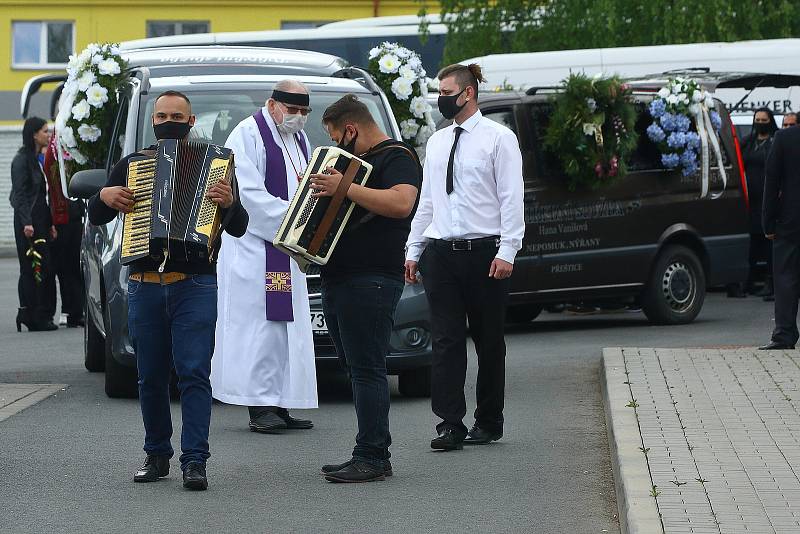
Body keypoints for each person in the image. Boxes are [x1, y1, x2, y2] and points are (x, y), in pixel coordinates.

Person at [88, 90, 249, 490]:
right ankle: (157, 453)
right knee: (150, 376)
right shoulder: (132, 164)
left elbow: (240, 225)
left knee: (195, 373)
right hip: (144, 285)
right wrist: (104, 195)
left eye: (177, 114)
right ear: (153, 121)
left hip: (194, 284)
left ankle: (195, 461)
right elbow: (98, 211)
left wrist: (228, 203)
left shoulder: (217, 166)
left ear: (191, 121)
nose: (169, 120)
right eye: (162, 115)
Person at [405, 63, 524, 451]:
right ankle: (449, 424)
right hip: (441, 252)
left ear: (467, 93)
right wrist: (414, 247)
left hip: (485, 252)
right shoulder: (437, 141)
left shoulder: (498, 138)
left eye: (445, 90)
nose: (441, 98)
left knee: (489, 342)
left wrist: (508, 249)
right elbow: (427, 201)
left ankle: (488, 420)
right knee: (445, 340)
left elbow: (511, 197)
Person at [314, 94, 421, 482]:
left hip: (372, 279)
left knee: (367, 368)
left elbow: (401, 203)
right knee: (354, 366)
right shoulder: (356, 164)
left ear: (351, 129)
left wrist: (343, 187)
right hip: (339, 276)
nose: (335, 145)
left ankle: (373, 455)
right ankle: (369, 448)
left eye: (335, 136)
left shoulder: (397, 157)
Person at [210, 80, 318, 434]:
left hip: (287, 248)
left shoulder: (298, 138)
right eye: (293, 110)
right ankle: (259, 404)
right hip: (256, 248)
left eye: (304, 112)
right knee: (260, 328)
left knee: (287, 329)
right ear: (273, 105)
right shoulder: (247, 135)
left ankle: (281, 400)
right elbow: (249, 194)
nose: (299, 118)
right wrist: (297, 218)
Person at [9, 117, 57, 332]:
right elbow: (20, 196)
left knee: (45, 268)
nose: (48, 134)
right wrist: (27, 223)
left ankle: (37, 313)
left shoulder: (38, 159)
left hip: (39, 221)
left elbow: (42, 195)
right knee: (32, 268)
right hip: (27, 223)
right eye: (45, 131)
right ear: (34, 134)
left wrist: (50, 224)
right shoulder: (21, 160)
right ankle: (32, 314)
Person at [760, 120, 800, 350]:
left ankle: (784, 334)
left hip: (790, 220)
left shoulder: (784, 138)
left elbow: (772, 181)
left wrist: (768, 222)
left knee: (785, 277)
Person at [741, 108, 778, 299]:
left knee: (769, 244)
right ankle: (747, 281)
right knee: (754, 243)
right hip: (751, 202)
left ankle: (770, 283)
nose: (760, 122)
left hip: (769, 199)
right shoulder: (748, 142)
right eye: (757, 119)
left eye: (764, 120)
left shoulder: (775, 142)